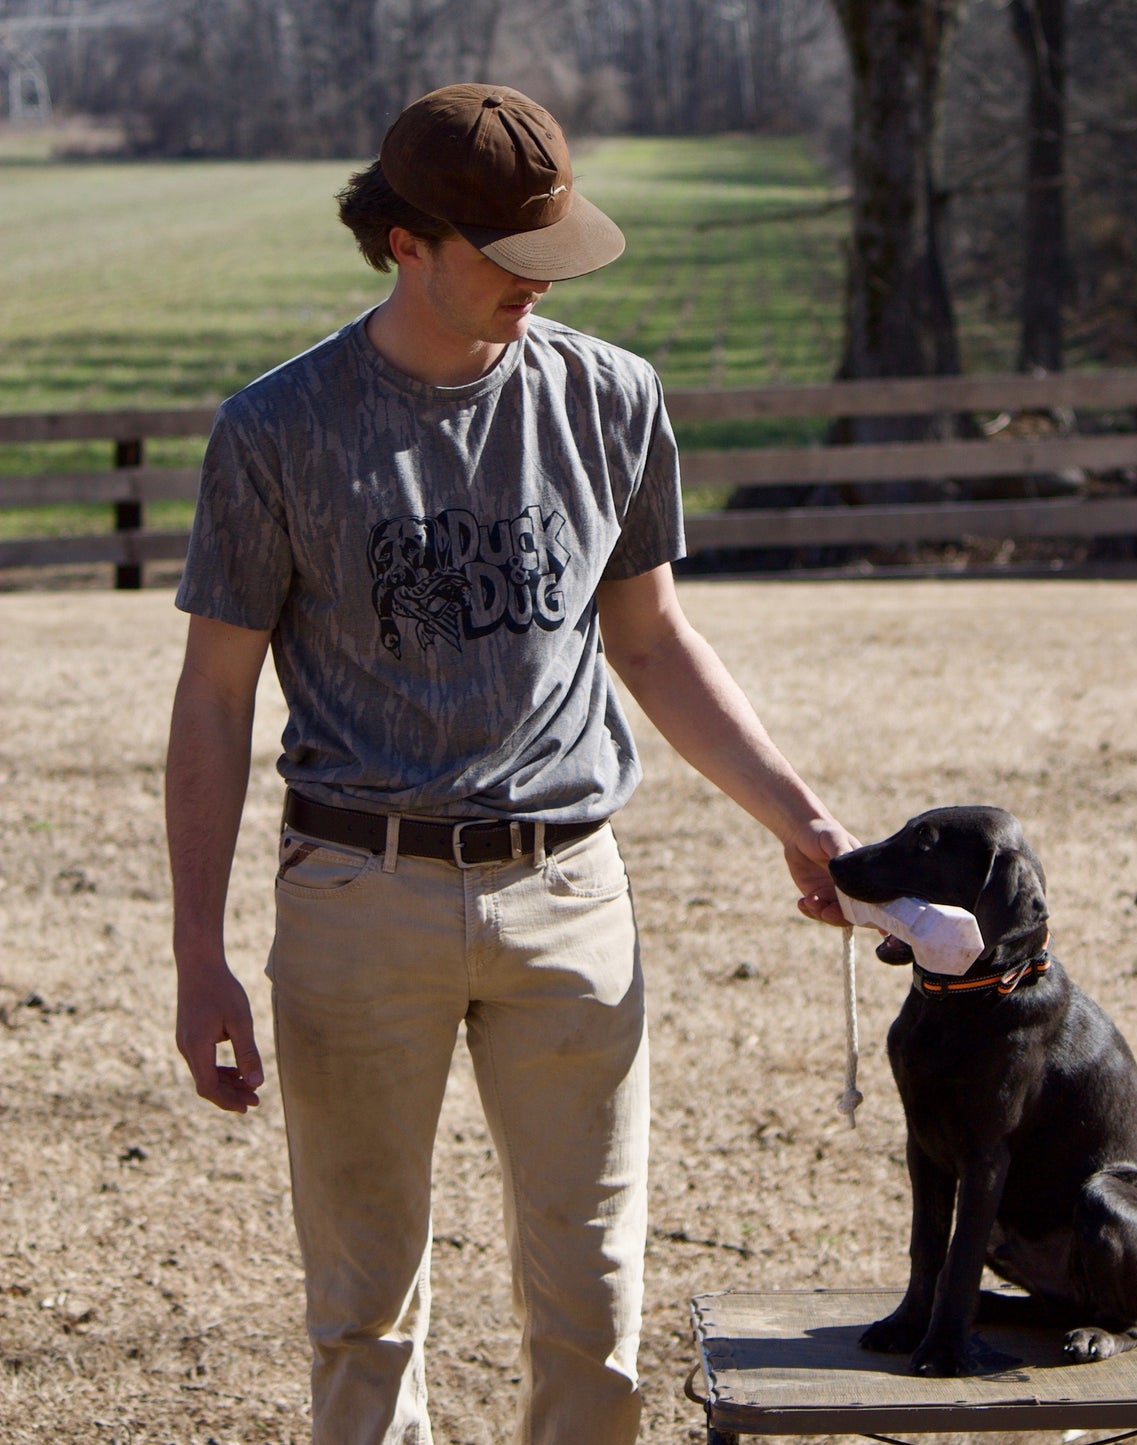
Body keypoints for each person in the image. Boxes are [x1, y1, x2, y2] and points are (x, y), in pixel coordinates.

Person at [165, 82, 854, 1445]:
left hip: (569, 899)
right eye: (505, 258)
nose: (537, 287)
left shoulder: (611, 397)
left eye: (552, 251)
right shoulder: (276, 430)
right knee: (364, 1317)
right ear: (404, 241)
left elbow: (651, 641)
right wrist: (197, 951)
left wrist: (798, 811)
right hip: (357, 897)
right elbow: (212, 697)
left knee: (594, 1317)